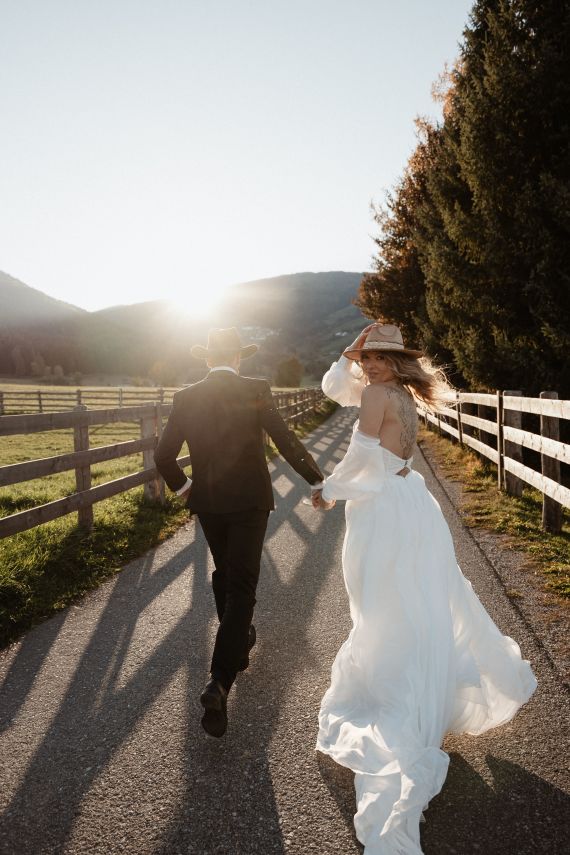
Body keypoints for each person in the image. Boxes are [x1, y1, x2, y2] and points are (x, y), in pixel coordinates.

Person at [311, 322, 537, 855]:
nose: (367, 367)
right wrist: (353, 351)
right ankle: (420, 695)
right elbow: (335, 390)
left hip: (383, 512)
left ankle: (401, 707)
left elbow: (364, 459)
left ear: (396, 362)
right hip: (413, 504)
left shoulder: (374, 394)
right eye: (364, 359)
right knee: (418, 605)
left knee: (383, 609)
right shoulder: (401, 395)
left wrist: (329, 490)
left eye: (377, 359)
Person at [154, 327, 324, 738]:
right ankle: (219, 680)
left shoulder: (186, 396)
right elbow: (284, 439)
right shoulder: (256, 388)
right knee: (242, 584)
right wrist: (316, 480)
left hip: (209, 501)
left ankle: (240, 636)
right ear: (240, 358)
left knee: (225, 573)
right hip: (250, 500)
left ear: (207, 359)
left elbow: (163, 456)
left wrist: (185, 487)